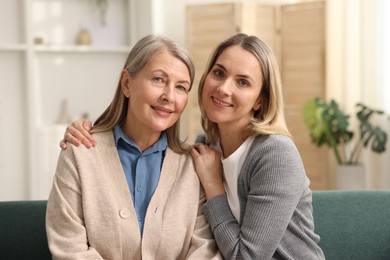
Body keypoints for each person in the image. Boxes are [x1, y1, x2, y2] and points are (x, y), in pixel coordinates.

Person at [61, 33, 325, 259]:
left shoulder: (275, 153)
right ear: (127, 83)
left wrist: (213, 187)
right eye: (219, 73)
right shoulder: (203, 148)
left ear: (260, 101)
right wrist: (85, 130)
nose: (223, 88)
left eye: (243, 82)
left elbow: (243, 256)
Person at [46, 34, 221, 260]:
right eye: (158, 79)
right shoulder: (80, 153)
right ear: (127, 83)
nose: (169, 96)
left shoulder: (194, 166)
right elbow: (68, 249)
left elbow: (206, 249)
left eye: (181, 87)